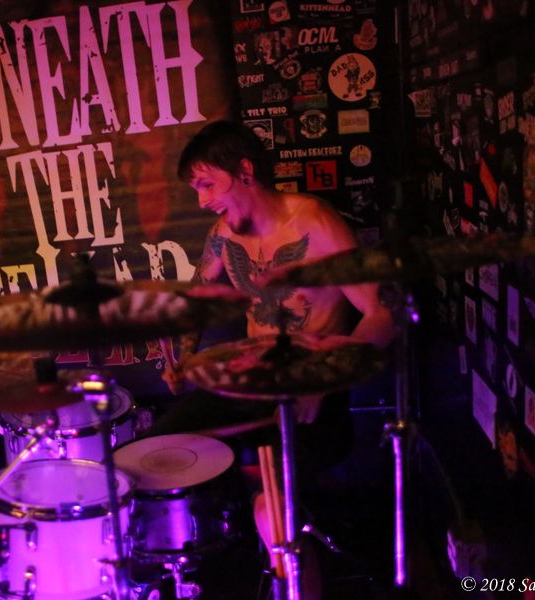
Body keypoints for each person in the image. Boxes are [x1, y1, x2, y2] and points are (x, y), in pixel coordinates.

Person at [158, 120, 396, 593]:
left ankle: (296, 574)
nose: (202, 201)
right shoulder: (224, 234)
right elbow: (198, 301)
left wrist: (322, 383)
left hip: (311, 394)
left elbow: (383, 314)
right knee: (155, 452)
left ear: (244, 172)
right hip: (250, 383)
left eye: (207, 185)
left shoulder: (313, 222)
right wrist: (183, 357)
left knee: (273, 508)